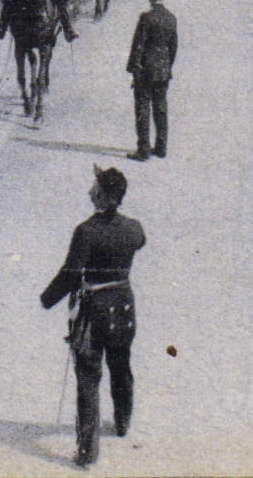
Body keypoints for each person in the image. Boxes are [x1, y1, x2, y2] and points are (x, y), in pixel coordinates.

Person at [40, 166, 146, 468]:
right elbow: (140, 242)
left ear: (101, 195)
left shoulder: (85, 232)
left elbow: (71, 275)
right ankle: (123, 421)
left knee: (88, 377)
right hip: (124, 307)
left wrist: (47, 299)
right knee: (121, 364)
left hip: (94, 312)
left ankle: (88, 450)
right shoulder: (134, 228)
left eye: (94, 187)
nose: (89, 191)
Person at [126, 0, 177, 160]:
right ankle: (161, 148)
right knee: (161, 108)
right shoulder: (171, 18)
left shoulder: (146, 18)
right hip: (163, 72)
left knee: (142, 109)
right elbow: (173, 47)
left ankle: (143, 150)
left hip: (145, 70)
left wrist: (133, 68)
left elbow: (138, 45)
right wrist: (166, 67)